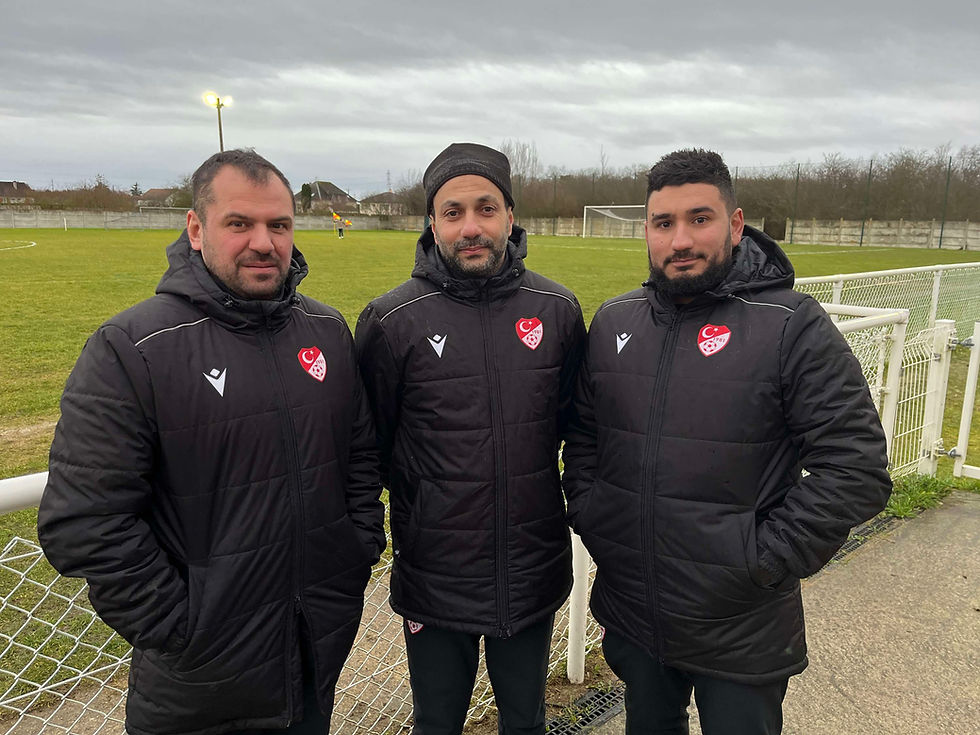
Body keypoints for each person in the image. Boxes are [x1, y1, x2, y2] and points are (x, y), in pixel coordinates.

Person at [38, 149, 385, 735]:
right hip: (197, 683)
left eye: (279, 225)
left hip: (314, 652)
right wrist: (183, 627)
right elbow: (83, 521)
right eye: (239, 224)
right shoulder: (134, 347)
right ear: (196, 229)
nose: (264, 242)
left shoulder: (326, 331)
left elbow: (358, 459)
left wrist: (354, 552)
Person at [562, 148, 892, 735]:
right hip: (637, 613)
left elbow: (856, 467)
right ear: (647, 230)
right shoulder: (615, 321)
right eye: (664, 223)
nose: (680, 240)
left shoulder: (791, 326)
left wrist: (761, 558)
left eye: (700, 219)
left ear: (736, 225)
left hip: (741, 624)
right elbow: (586, 437)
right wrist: (596, 514)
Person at [355, 142, 586, 735]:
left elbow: (571, 428)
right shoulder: (391, 320)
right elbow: (371, 448)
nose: (471, 227)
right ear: (432, 223)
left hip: (531, 569)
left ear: (510, 214)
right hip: (436, 577)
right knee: (436, 722)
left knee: (526, 721)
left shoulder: (558, 310)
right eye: (452, 212)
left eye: (485, 208)